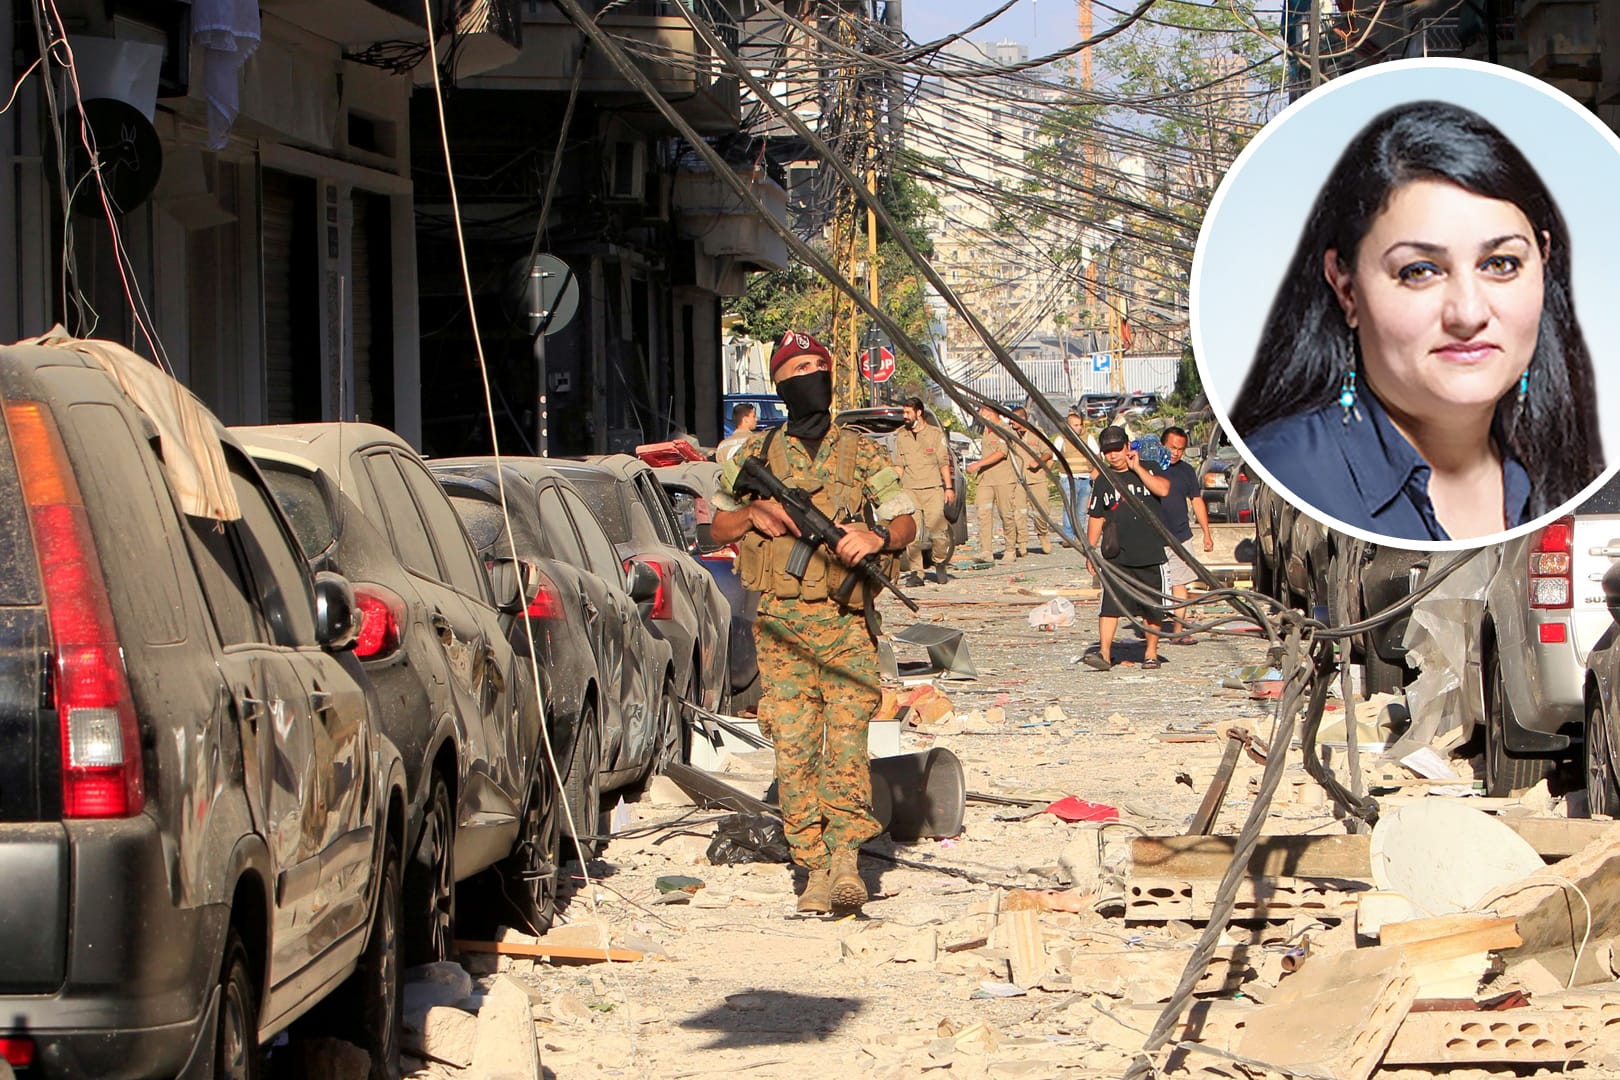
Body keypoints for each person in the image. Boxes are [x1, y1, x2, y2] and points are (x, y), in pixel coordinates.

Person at [1230, 100, 1603, 542]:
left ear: (1543, 262)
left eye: (1501, 264)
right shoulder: (1292, 475)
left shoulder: (1572, 468)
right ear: (1346, 288)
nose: (1468, 313)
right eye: (1420, 271)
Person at [710, 330, 917, 915]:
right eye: (797, 368)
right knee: (794, 747)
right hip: (781, 626)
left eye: (817, 365)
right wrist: (753, 512)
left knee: (847, 740)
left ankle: (848, 858)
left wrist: (876, 537)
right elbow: (716, 529)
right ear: (779, 383)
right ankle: (813, 869)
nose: (810, 375)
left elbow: (906, 519)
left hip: (846, 621)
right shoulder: (755, 458)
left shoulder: (862, 451)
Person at [1084, 424, 1171, 671]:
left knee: (1152, 608)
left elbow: (1163, 489)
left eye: (1117, 449)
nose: (1113, 455)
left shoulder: (1149, 469)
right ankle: (1104, 653)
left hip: (1150, 552)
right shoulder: (1102, 481)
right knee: (1109, 607)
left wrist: (1138, 468)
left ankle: (1151, 653)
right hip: (1117, 556)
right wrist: (1090, 549)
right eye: (1108, 451)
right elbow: (1096, 516)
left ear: (1127, 448)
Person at [1156, 426, 1213, 643]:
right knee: (1153, 585)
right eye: (1172, 448)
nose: (1176, 453)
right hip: (1153, 537)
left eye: (1180, 449)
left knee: (1180, 585)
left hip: (1180, 536)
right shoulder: (1149, 468)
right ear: (1162, 445)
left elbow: (1196, 501)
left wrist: (1206, 533)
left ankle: (1178, 631)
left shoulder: (1187, 471)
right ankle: (1153, 629)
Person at [894, 396, 955, 586]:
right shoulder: (901, 436)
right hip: (910, 490)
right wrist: (894, 489)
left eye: (908, 412)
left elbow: (943, 463)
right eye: (904, 412)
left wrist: (949, 488)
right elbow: (899, 466)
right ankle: (916, 573)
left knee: (938, 531)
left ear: (918, 413)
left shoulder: (935, 434)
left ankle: (939, 562)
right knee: (912, 534)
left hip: (932, 490)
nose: (905, 416)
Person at [966, 404, 1025, 559]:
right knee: (983, 513)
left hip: (1003, 479)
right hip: (986, 479)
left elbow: (1001, 453)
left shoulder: (1004, 428)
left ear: (991, 412)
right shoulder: (987, 429)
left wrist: (977, 464)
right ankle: (986, 550)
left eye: (982, 409)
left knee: (1006, 514)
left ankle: (1010, 549)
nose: (979, 413)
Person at [1012, 406, 1055, 555]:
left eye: (1014, 419)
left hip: (1036, 478)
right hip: (1018, 480)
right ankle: (1022, 543)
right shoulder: (1010, 434)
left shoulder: (1037, 433)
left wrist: (1038, 461)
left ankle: (1042, 534)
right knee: (1019, 512)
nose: (1012, 422)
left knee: (1041, 511)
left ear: (1022, 419)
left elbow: (1048, 452)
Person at [1053, 409, 1097, 543]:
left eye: (1080, 425)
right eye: (1075, 425)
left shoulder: (1088, 438)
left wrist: (1094, 472)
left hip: (1085, 478)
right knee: (1069, 509)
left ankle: (1080, 535)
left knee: (1082, 510)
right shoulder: (1061, 439)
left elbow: (1097, 455)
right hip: (1068, 479)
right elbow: (1055, 458)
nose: (1078, 428)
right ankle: (1068, 537)